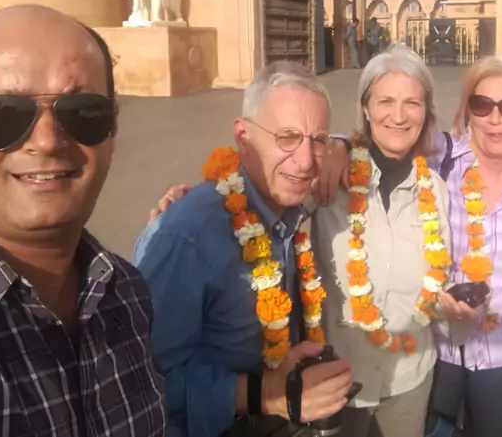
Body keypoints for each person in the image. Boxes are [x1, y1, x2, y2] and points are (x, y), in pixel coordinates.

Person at [0, 5, 166, 436]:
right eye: (3, 113)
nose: (46, 140)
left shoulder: (127, 297)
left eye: (82, 112)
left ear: (113, 126)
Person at [318, 56, 502, 437]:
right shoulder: (442, 161)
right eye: (482, 105)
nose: (495, 119)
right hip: (438, 351)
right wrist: (333, 145)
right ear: (468, 113)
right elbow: (385, 140)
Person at [133, 61, 354, 437]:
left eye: (317, 140)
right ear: (243, 136)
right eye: (286, 137)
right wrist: (263, 393)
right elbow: (142, 384)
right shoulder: (188, 235)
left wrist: (343, 145)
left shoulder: (294, 208)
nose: (305, 161)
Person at [311, 44, 464, 437]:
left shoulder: (437, 191)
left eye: (412, 102)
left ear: (426, 113)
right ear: (365, 108)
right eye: (385, 101)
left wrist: (450, 303)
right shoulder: (326, 183)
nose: (398, 116)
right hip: (335, 381)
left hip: (408, 379)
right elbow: (266, 197)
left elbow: (439, 276)